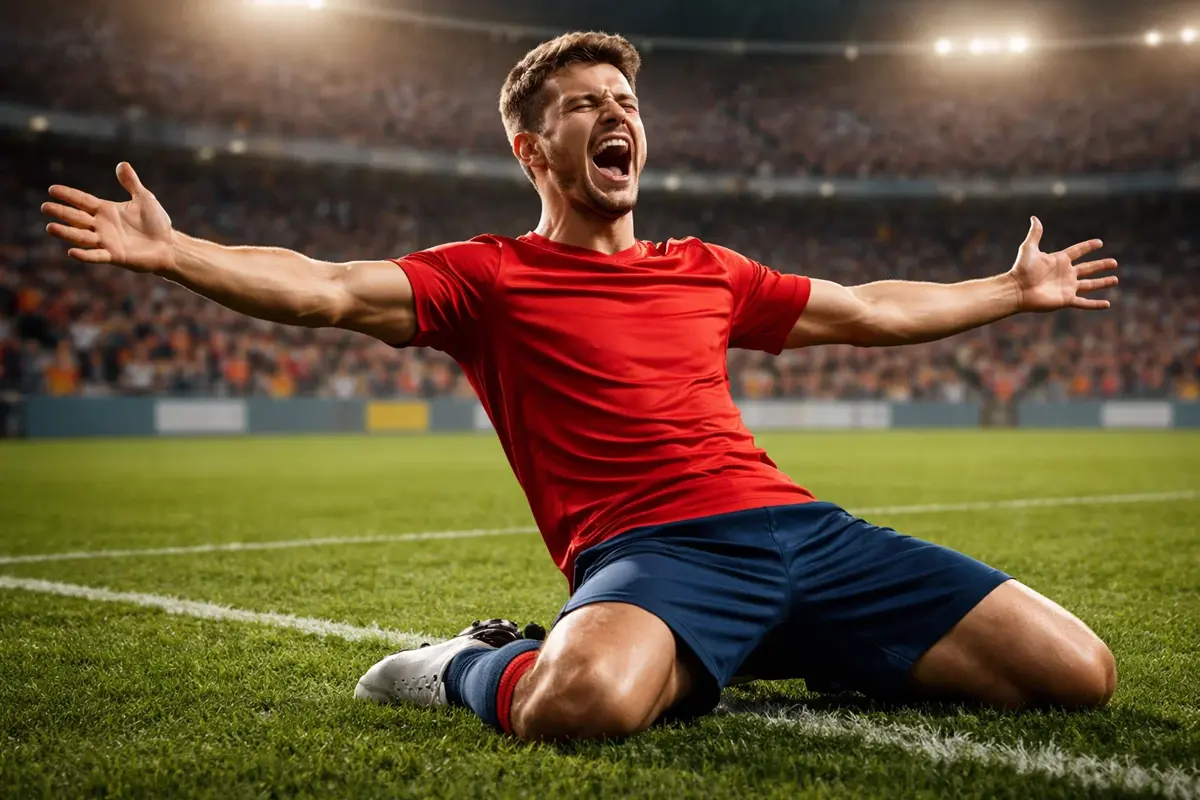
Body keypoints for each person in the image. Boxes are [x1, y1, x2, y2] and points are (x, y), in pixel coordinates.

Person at [42, 32, 1119, 743]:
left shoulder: (709, 268)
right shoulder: (487, 277)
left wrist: (1011, 290)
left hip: (804, 532)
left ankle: (748, 649)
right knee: (584, 703)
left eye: (627, 100)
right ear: (532, 146)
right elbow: (325, 287)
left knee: (1079, 672)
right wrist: (179, 253)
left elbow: (872, 310)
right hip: (657, 550)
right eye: (586, 104)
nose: (619, 115)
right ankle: (476, 660)